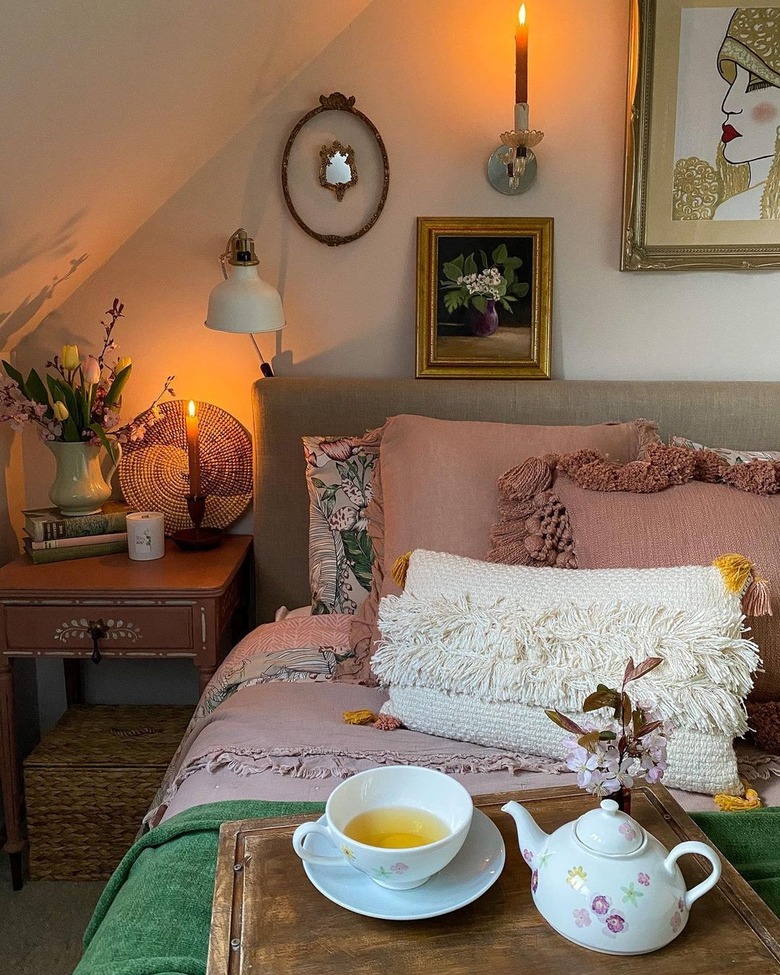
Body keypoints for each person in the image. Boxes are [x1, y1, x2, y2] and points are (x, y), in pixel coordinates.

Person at [673, 7, 780, 220]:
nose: (727, 104)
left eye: (755, 85)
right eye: (733, 82)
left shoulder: (731, 211)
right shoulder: (730, 207)